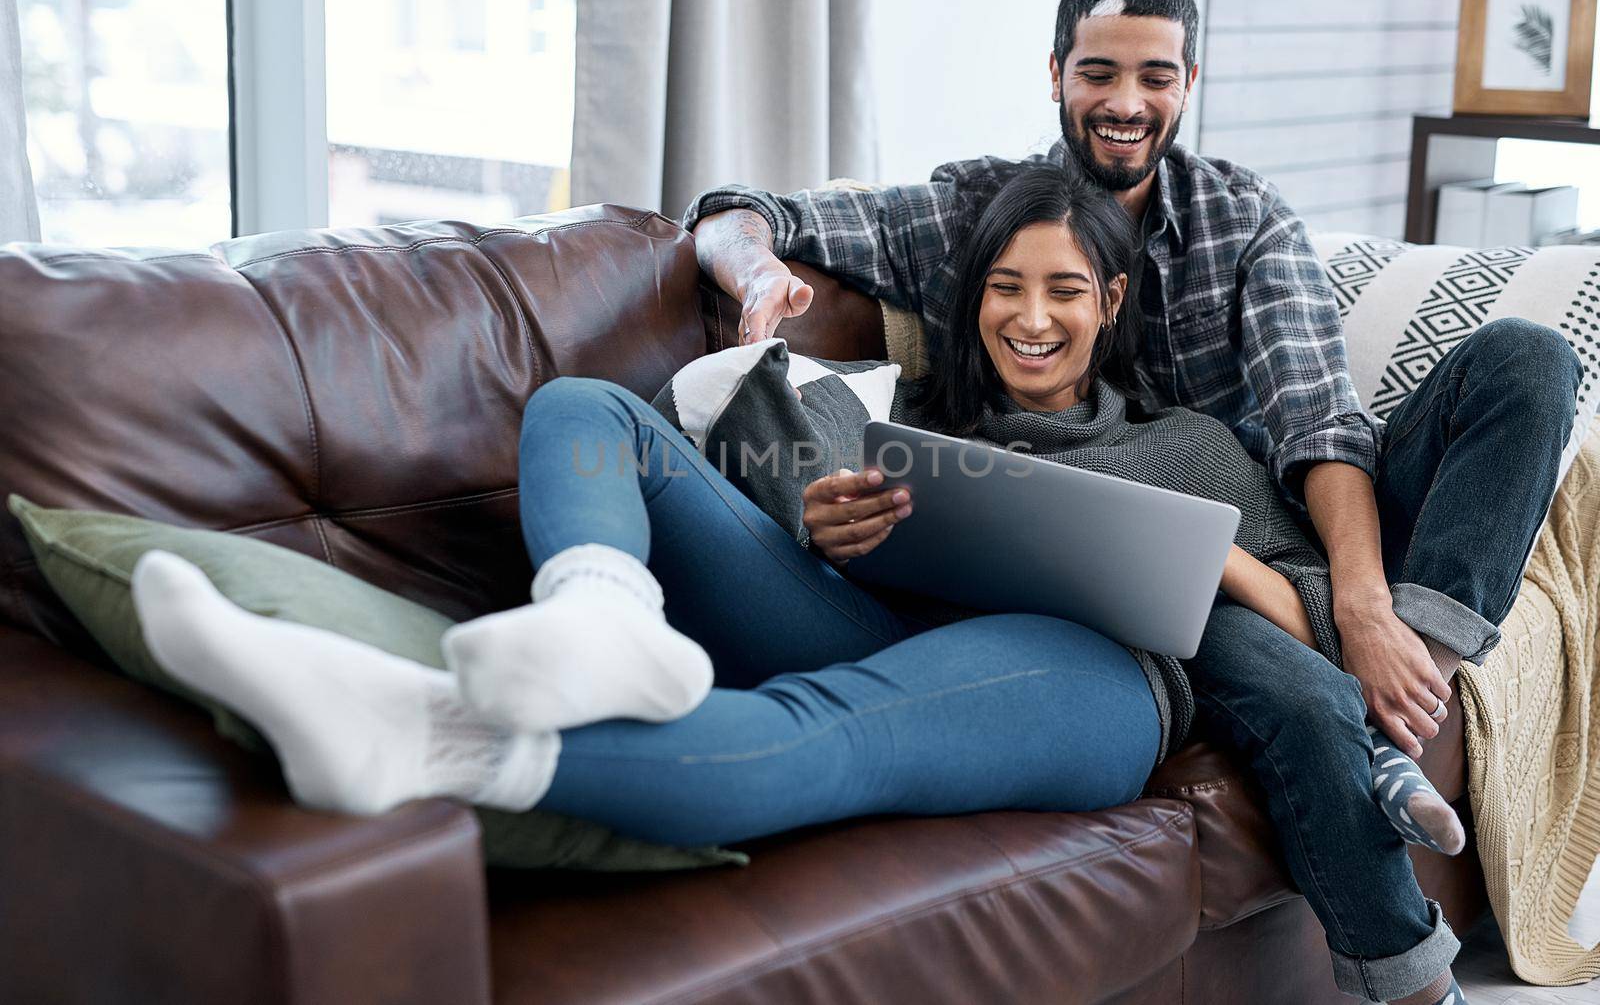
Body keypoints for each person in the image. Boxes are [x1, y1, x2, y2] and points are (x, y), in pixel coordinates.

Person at [134, 163, 1485, 1004]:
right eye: (1004, 287)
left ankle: (409, 729)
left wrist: (1227, 556)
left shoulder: (1195, 436)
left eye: (1064, 290)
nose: (1030, 314)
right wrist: (833, 508)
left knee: (821, 731)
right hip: (877, 602)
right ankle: (597, 610)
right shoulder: (910, 421)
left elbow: (1305, 620)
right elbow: (748, 261)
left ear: (1111, 302)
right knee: (584, 403)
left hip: (1096, 677)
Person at [686, 0, 1581, 1005]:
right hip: (1165, 577)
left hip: (1286, 506)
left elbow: (1317, 423)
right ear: (1057, 73)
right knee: (1257, 657)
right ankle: (1401, 900)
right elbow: (739, 212)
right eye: (1098, 72)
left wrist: (1366, 605)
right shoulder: (976, 210)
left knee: (1527, 358)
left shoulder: (1242, 221)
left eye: (1153, 76)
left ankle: (1404, 700)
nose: (1123, 102)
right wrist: (755, 274)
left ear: (1187, 83)